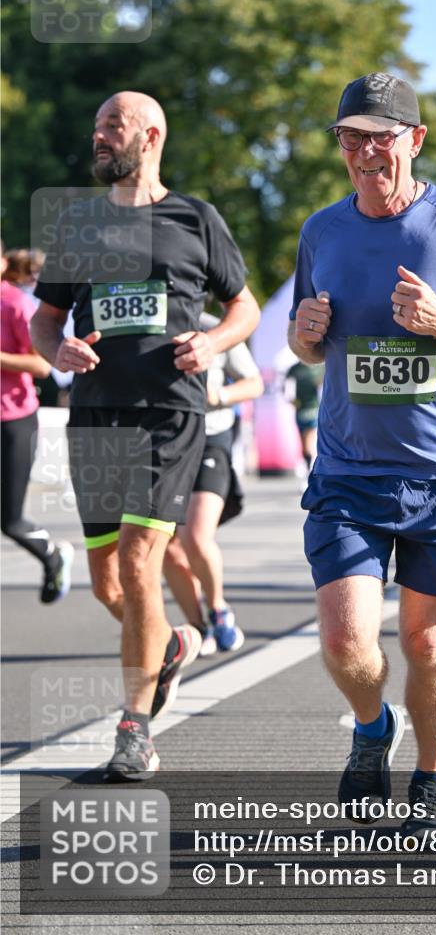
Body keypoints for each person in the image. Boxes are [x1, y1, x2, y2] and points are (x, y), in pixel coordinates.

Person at [288, 72, 436, 844]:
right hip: (348, 472)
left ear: (414, 141)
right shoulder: (320, 230)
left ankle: (430, 776)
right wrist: (305, 333)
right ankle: (368, 728)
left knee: (426, 643)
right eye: (349, 138)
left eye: (380, 138)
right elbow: (304, 347)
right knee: (345, 640)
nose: (364, 153)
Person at [31, 91, 260, 782]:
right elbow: (47, 319)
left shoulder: (196, 218)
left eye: (112, 125)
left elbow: (243, 307)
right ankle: (170, 647)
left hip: (170, 412)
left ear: (150, 136)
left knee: (139, 564)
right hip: (97, 414)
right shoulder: (79, 222)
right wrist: (56, 352)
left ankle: (134, 729)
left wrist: (214, 341)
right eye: (96, 123)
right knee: (109, 586)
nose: (98, 135)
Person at [163, 313, 264, 656]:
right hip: (163, 444)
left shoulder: (215, 326)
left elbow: (255, 383)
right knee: (166, 546)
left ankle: (219, 609)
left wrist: (216, 395)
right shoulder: (144, 323)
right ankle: (198, 625)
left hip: (210, 438)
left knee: (195, 536)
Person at [1, 244, 74, 602]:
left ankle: (52, 555)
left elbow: (42, 366)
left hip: (13, 420)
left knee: (10, 521)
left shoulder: (14, 303)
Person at [285, 360, 324, 474]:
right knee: (303, 441)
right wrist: (294, 402)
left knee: (309, 438)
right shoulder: (295, 369)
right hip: (301, 410)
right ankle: (308, 467)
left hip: (314, 409)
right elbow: (287, 390)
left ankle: (312, 468)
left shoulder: (321, 368)